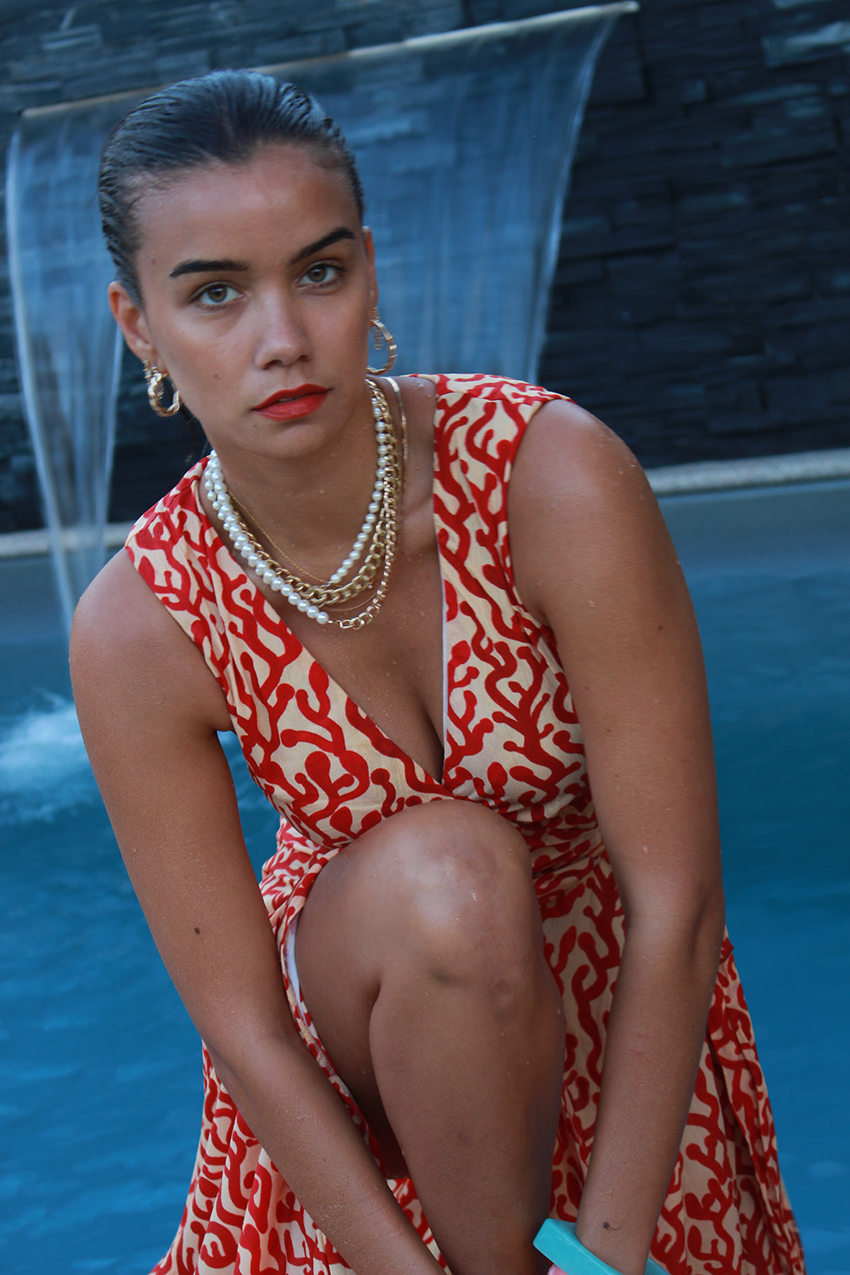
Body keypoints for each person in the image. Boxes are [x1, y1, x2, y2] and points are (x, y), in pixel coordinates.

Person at [70, 70, 805, 1275]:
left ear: (368, 265)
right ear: (138, 326)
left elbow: (675, 902)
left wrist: (607, 1257)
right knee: (443, 880)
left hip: (622, 1050)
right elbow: (243, 1027)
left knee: (464, 882)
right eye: (213, 294)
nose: (283, 340)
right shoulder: (139, 624)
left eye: (319, 272)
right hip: (364, 1086)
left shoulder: (549, 477)